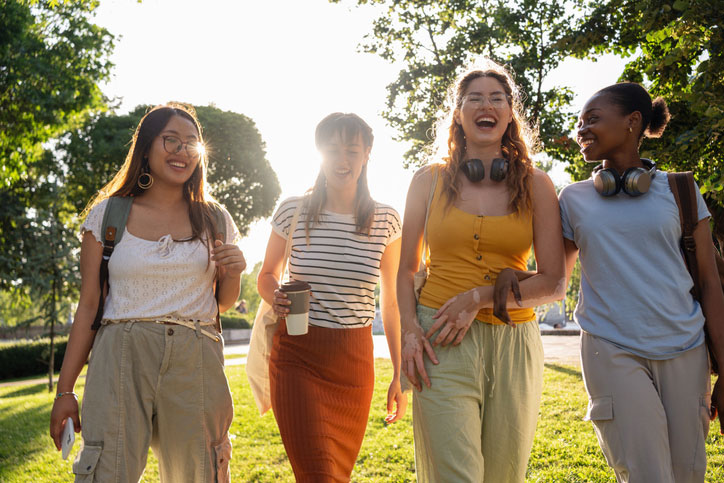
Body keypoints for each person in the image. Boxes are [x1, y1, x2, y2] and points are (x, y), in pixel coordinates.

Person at [49, 104, 245, 482]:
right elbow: (89, 305)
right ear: (146, 147)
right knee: (108, 472)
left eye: (192, 143)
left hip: (195, 357)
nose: (182, 151)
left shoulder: (215, 218)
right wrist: (65, 391)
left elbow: (222, 301)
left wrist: (233, 271)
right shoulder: (107, 216)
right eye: (170, 140)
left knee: (201, 473)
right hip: (120, 357)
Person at [397, 59, 565, 482]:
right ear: (458, 114)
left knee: (504, 474)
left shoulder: (537, 184)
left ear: (510, 114)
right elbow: (405, 270)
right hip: (440, 338)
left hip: (513, 342)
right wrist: (409, 330)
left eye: (496, 98)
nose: (485, 105)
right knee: (456, 474)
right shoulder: (427, 181)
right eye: (474, 98)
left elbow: (554, 282)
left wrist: (480, 297)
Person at [559, 82, 724, 482]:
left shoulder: (681, 189)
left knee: (687, 473)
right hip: (611, 348)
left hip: (686, 349)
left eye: (592, 120)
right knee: (647, 474)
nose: (581, 130)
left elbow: (709, 283)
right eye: (579, 123)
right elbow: (553, 278)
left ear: (633, 122)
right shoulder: (572, 198)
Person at [257, 112, 406, 482]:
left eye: (352, 150)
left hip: (354, 363)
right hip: (298, 355)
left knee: (335, 474)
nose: (343, 160)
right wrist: (275, 294)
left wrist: (399, 374)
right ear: (319, 153)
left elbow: (391, 303)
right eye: (334, 150)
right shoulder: (294, 210)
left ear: (367, 153)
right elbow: (267, 274)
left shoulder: (387, 220)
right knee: (319, 474)